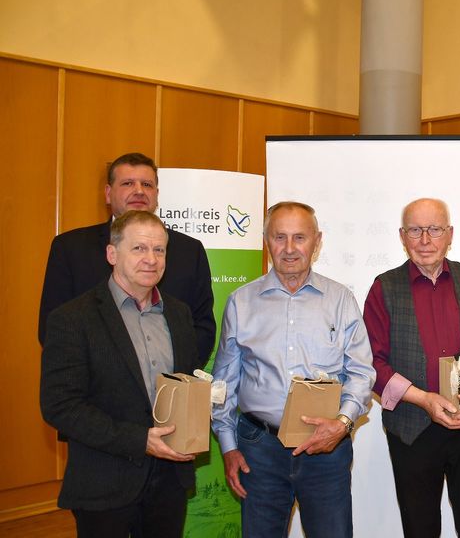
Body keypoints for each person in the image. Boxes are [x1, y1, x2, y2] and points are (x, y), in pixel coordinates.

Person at [211, 201, 375, 537]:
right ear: (266, 241)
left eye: (299, 237)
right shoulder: (241, 302)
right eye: (279, 237)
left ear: (317, 241)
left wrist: (342, 424)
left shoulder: (340, 300)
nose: (289, 249)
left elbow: (361, 372)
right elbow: (223, 383)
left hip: (326, 448)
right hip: (259, 449)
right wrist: (228, 447)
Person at [40, 210, 204, 538]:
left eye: (159, 250)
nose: (151, 259)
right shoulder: (72, 319)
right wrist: (139, 439)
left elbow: (182, 385)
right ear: (112, 254)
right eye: (139, 249)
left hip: (169, 481)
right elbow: (60, 405)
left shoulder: (179, 314)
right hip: (104, 482)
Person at [363, 198, 460, 538]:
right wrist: (423, 400)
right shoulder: (383, 288)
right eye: (416, 231)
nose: (425, 240)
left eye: (434, 230)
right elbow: (373, 363)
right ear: (403, 236)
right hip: (413, 430)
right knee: (420, 530)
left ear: (450, 234)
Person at [38, 152, 215, 362]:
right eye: (128, 183)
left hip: (169, 387)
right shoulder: (70, 248)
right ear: (108, 193)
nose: (139, 191)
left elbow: (202, 327)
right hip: (96, 389)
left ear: (157, 194)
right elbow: (53, 327)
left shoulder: (189, 251)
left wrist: (174, 380)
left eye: (147, 185)